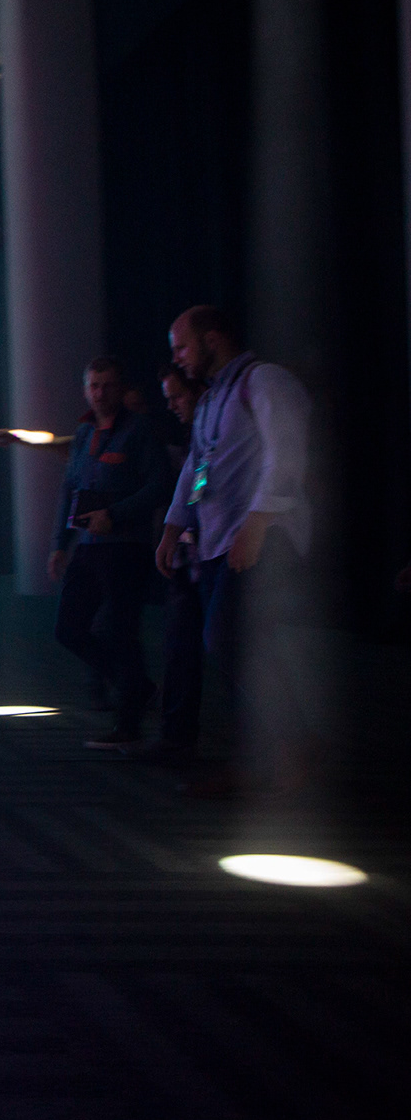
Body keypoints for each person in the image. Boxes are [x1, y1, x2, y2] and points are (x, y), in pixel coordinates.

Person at [153, 305, 312, 797]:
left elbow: (288, 453)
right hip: (221, 543)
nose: (177, 357)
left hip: (264, 538)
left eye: (182, 346)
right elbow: (196, 468)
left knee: (228, 639)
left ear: (214, 339)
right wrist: (173, 525)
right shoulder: (211, 399)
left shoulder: (266, 380)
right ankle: (269, 757)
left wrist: (258, 524)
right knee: (236, 647)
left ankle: (292, 754)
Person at [53, 358, 173, 749]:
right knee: (68, 628)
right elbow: (69, 490)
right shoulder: (84, 431)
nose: (100, 393)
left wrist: (116, 515)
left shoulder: (139, 431)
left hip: (125, 547)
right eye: (94, 386)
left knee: (122, 633)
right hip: (88, 546)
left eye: (107, 385)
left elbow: (161, 487)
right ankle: (135, 687)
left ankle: (129, 725)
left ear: (120, 389)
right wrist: (59, 544)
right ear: (86, 390)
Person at [123, 363, 208, 764]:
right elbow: (197, 483)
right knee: (179, 646)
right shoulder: (199, 428)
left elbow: (200, 483)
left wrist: (181, 528)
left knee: (209, 645)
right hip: (196, 551)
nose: (170, 405)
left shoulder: (213, 424)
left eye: (177, 396)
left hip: (217, 551)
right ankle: (176, 736)